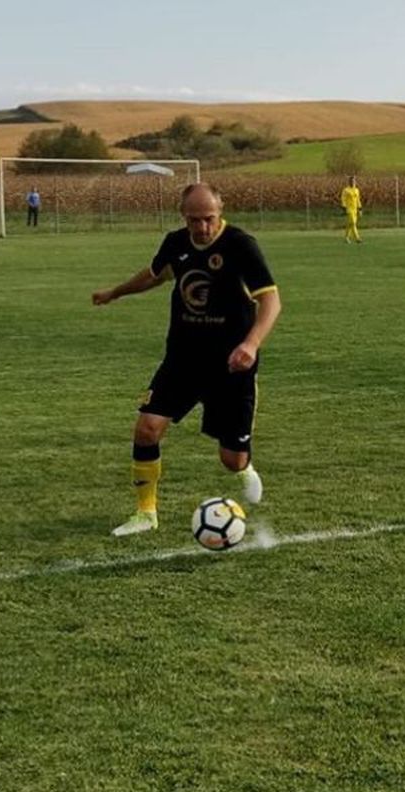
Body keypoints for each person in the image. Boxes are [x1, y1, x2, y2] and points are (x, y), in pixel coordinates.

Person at [91, 183, 282, 536]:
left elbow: (271, 301)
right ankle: (146, 513)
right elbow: (154, 275)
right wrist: (115, 293)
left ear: (220, 212)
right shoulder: (175, 243)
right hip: (183, 359)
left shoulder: (241, 246)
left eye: (209, 219)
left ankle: (245, 466)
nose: (202, 228)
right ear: (184, 216)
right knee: (147, 428)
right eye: (195, 220)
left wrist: (251, 344)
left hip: (231, 365)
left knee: (231, 459)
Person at [339, 176, 362, 243]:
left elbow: (358, 200)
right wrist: (344, 207)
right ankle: (357, 238)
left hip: (355, 209)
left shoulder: (357, 190)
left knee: (350, 224)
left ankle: (346, 238)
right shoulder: (346, 190)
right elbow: (343, 199)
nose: (353, 182)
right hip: (349, 209)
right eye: (351, 181)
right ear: (349, 182)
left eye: (354, 181)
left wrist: (360, 209)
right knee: (353, 223)